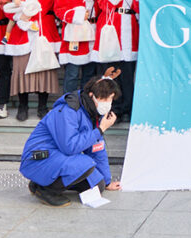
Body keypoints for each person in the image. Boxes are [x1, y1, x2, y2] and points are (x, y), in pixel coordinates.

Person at [20, 73, 122, 207]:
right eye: (105, 99)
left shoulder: (92, 112)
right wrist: (100, 130)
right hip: (38, 156)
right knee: (86, 163)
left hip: (57, 157)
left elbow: (97, 149)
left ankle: (40, 182)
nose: (108, 103)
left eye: (111, 99)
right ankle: (45, 190)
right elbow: (69, 146)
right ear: (92, 95)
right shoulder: (68, 110)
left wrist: (107, 182)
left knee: (98, 184)